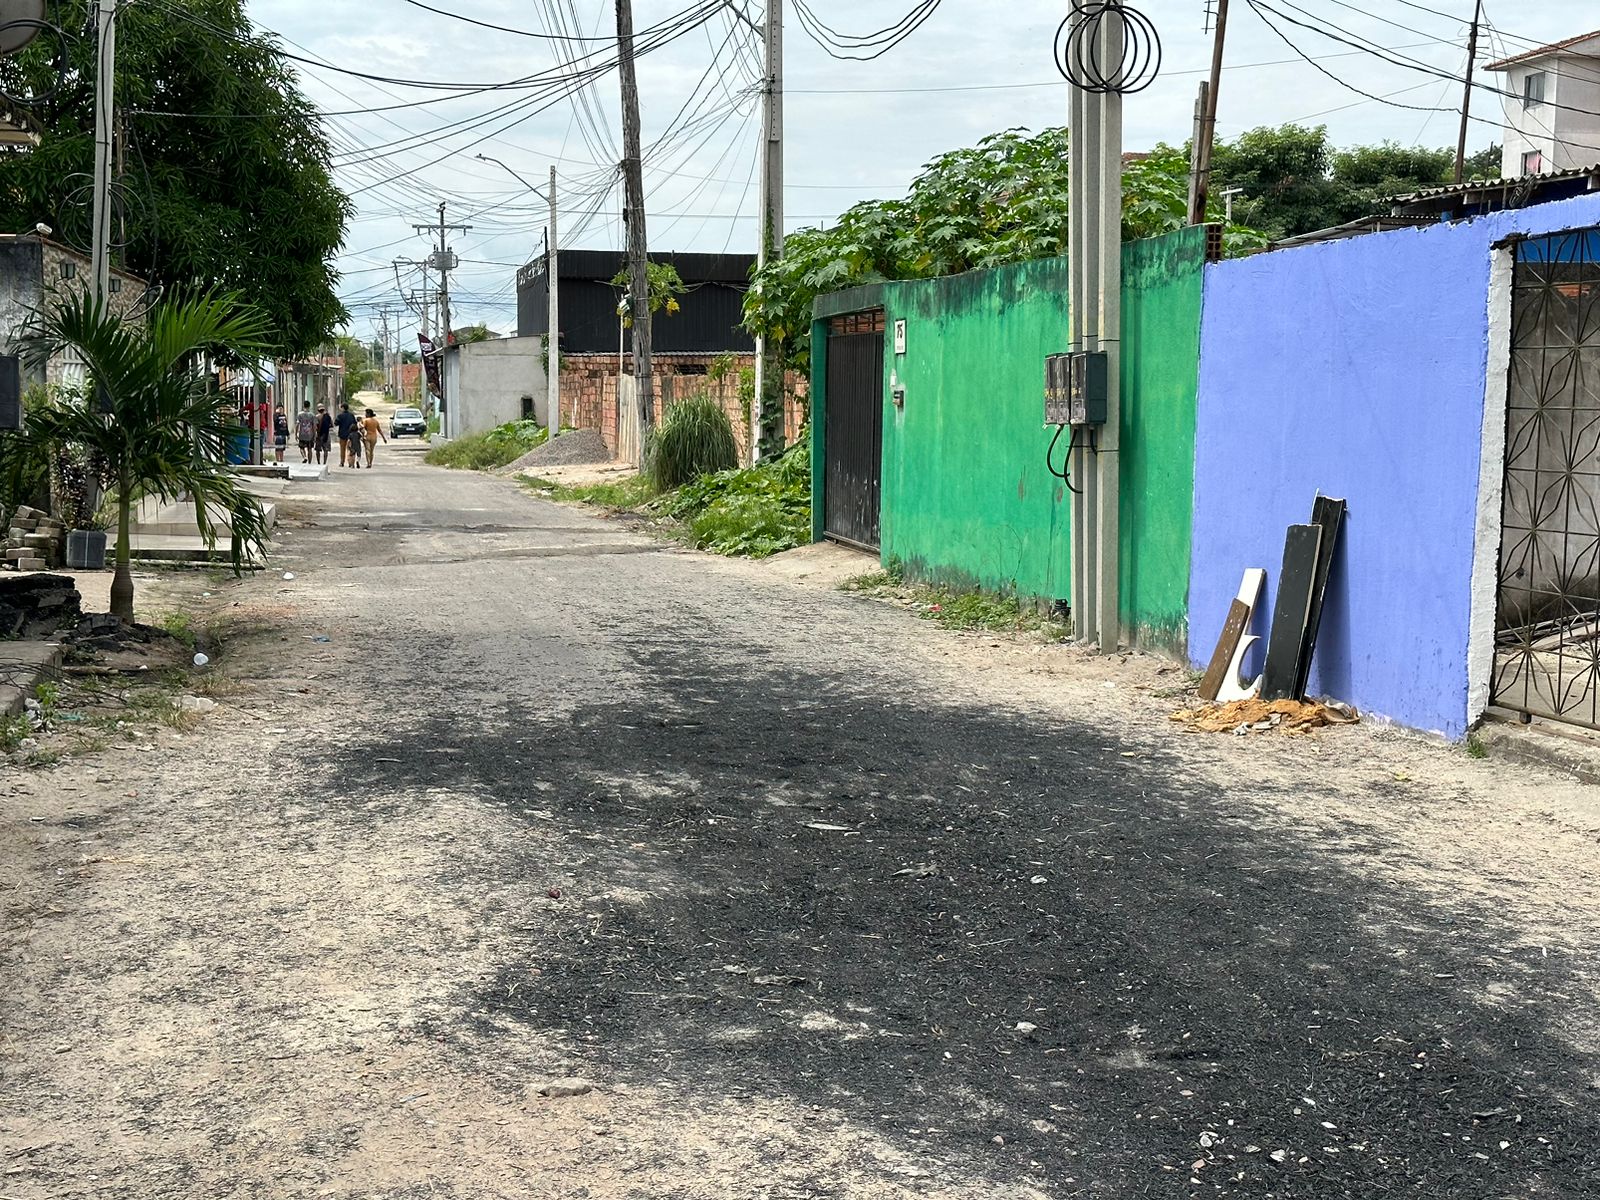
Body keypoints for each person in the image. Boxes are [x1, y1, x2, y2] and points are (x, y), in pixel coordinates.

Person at [335, 402, 359, 468]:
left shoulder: (340, 416)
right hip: (350, 435)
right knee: (350, 449)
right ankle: (351, 463)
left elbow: (336, 423)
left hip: (342, 435)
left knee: (342, 449)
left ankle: (342, 462)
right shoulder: (351, 415)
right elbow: (355, 424)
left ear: (343, 408)